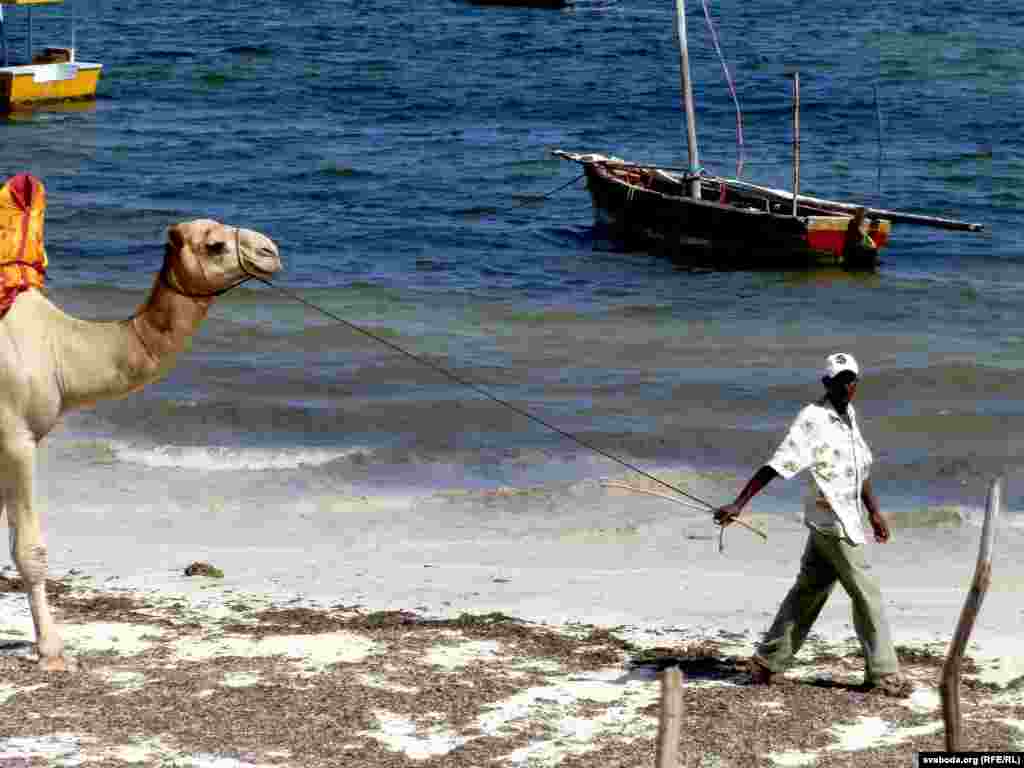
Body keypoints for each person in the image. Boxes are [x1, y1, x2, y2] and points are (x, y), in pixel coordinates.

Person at [714, 352, 911, 697]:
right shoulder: (813, 418)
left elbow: (858, 467)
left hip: (842, 520)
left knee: (808, 592)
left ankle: (767, 662)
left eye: (852, 379)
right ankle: (884, 673)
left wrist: (874, 512)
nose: (848, 386)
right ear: (826, 383)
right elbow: (777, 463)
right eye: (840, 380)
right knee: (867, 594)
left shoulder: (848, 415)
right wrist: (740, 503)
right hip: (831, 520)